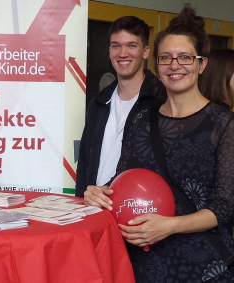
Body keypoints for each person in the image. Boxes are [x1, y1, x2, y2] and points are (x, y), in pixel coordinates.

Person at [97, 6, 234, 282]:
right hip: (144, 262)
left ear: (201, 64)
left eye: (185, 57)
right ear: (156, 65)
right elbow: (121, 179)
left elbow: (225, 206)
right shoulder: (141, 121)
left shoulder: (224, 124)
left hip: (203, 265)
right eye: (166, 57)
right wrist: (100, 193)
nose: (175, 65)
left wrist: (170, 226)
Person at [75, 16, 163, 199]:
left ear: (146, 51)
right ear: (109, 51)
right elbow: (84, 162)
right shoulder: (99, 101)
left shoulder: (161, 100)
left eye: (132, 45)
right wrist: (80, 203)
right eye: (116, 45)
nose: (123, 53)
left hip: (137, 210)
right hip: (94, 209)